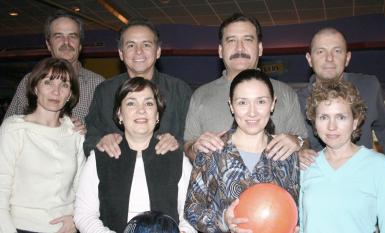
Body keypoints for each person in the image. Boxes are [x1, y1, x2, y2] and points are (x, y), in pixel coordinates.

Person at [75, 78, 195, 233]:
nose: (141, 109)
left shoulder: (177, 159)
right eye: (131, 103)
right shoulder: (100, 157)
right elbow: (84, 214)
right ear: (119, 113)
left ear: (157, 115)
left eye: (149, 103)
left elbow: (191, 212)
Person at [185, 69, 299, 233]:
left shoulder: (286, 153)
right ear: (231, 105)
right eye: (242, 103)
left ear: (273, 103)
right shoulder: (212, 150)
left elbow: (293, 207)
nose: (252, 112)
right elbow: (192, 209)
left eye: (261, 102)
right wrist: (223, 220)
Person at [184, 13, 307, 163]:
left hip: (272, 186)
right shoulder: (200, 95)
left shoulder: (285, 92)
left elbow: (304, 142)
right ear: (220, 51)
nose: (239, 48)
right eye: (231, 41)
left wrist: (297, 142)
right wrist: (195, 148)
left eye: (248, 40)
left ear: (260, 48)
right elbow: (188, 147)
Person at [297, 27, 385, 183]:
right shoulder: (297, 100)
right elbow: (294, 137)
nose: (329, 58)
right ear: (309, 59)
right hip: (320, 182)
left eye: (337, 51)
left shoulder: (369, 86)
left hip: (366, 178)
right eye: (320, 52)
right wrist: (300, 149)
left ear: (347, 57)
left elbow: (383, 125)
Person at [299, 80, 385, 233]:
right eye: (324, 117)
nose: (331, 127)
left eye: (341, 117)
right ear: (314, 123)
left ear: (355, 122)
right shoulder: (307, 164)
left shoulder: (378, 166)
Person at [84, 18, 192, 157]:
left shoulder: (180, 90)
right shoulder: (104, 91)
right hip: (116, 174)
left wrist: (177, 143)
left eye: (146, 45)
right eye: (131, 45)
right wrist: (100, 142)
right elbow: (90, 139)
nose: (139, 51)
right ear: (121, 54)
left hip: (168, 173)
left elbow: (192, 140)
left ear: (158, 51)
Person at [0, 57, 85, 233]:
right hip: (21, 227)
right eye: (48, 82)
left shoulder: (75, 133)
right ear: (35, 88)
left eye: (64, 85)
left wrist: (75, 218)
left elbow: (83, 188)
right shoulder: (15, 129)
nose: (56, 91)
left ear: (70, 94)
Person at [4, 10, 104, 123]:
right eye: (58, 36)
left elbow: (107, 131)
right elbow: (9, 126)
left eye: (72, 36)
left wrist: (87, 132)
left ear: (80, 45)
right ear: (48, 45)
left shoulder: (98, 84)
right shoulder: (30, 81)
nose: (66, 42)